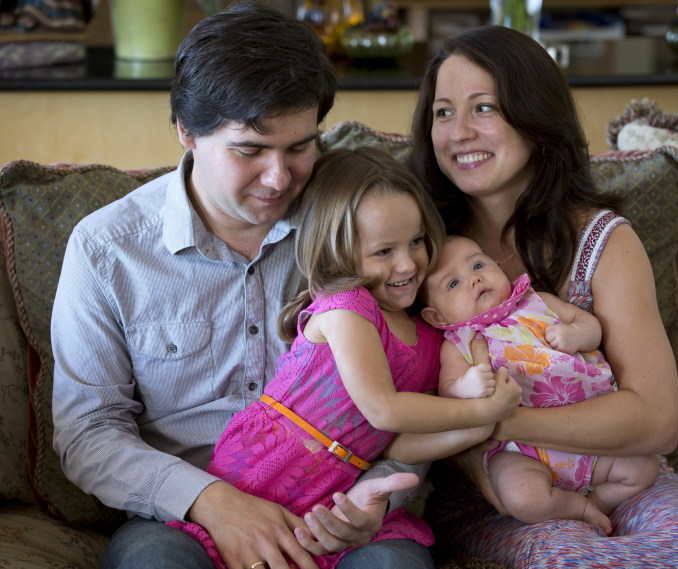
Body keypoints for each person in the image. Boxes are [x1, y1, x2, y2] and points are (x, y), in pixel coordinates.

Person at [51, 4, 440, 569]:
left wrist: (381, 494)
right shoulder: (108, 250)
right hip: (184, 521)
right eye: (250, 150)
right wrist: (212, 503)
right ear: (185, 130)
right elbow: (88, 431)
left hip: (343, 511)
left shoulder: (357, 229)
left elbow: (419, 376)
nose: (279, 177)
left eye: (300, 147)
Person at [407, 24, 678, 568]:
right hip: (497, 491)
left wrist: (502, 423)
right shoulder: (414, 248)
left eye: (484, 108)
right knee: (570, 557)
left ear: (536, 119)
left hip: (618, 469)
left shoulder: (602, 242)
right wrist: (488, 462)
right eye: (442, 112)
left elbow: (656, 420)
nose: (458, 132)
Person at [168, 147, 521, 569]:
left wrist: (482, 423)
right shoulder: (345, 307)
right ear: (339, 252)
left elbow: (402, 444)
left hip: (343, 489)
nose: (407, 263)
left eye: (416, 241)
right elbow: (384, 410)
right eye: (383, 251)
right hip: (269, 469)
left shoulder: (430, 340)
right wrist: (483, 410)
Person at [419, 235, 659, 535]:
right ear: (435, 316)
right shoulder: (459, 343)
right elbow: (448, 390)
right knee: (523, 498)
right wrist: (467, 386)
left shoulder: (537, 301)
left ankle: (600, 501)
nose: (474, 279)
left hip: (588, 431)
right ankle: (577, 508)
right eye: (452, 284)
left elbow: (590, 325)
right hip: (520, 452)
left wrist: (576, 334)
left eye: (478, 264)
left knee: (644, 468)